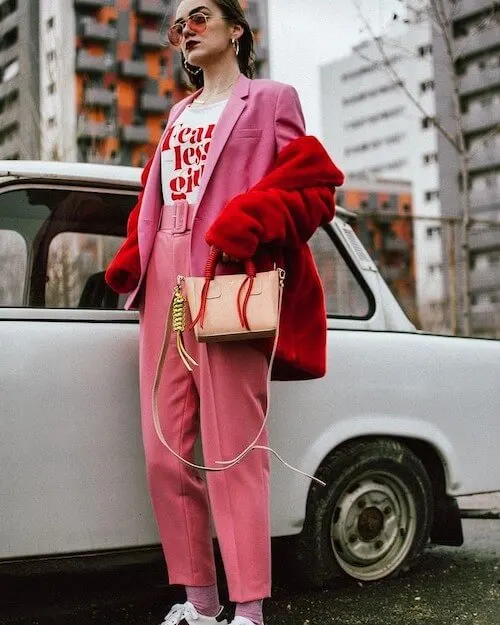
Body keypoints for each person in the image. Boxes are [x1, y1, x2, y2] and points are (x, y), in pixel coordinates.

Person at [105, 1, 344, 624]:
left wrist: (248, 224)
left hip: (228, 277)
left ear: (237, 29)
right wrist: (135, 253)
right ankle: (199, 603)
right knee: (165, 450)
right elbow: (157, 200)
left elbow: (312, 187)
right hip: (164, 284)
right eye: (178, 21)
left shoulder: (269, 99)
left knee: (235, 450)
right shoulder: (176, 115)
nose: (186, 27)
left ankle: (249, 610)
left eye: (201, 14)